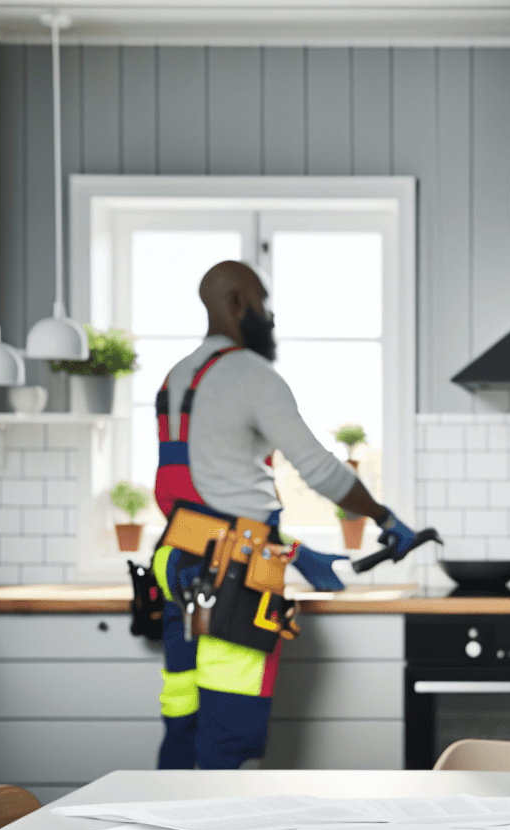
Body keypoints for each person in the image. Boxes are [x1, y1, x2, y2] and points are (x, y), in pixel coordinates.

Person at [151, 260, 415, 770]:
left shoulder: (175, 377)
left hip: (180, 562)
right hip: (234, 580)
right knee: (229, 730)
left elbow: (213, 488)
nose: (268, 318)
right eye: (264, 303)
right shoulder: (251, 374)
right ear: (238, 304)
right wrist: (383, 516)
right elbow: (319, 469)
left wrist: (292, 548)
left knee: (182, 720)